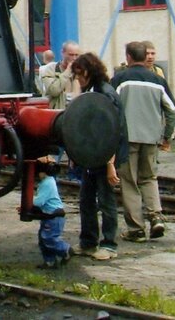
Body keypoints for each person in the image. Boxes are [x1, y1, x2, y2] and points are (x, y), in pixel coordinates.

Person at [111, 40, 175, 242]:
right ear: (144, 57)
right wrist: (168, 136)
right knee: (149, 178)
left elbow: (108, 105)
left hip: (127, 138)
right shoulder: (157, 81)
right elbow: (173, 113)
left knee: (129, 182)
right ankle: (156, 216)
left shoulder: (120, 80)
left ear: (129, 57)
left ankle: (136, 229)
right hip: (151, 138)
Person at [70, 52, 128, 261]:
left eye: (79, 73)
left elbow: (114, 131)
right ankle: (88, 241)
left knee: (106, 200)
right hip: (93, 154)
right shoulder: (92, 92)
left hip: (104, 155)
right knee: (86, 200)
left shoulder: (105, 94)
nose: (78, 78)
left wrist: (110, 163)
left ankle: (109, 244)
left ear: (89, 71)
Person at [30, 157, 71, 268]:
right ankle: (49, 261)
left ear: (42, 172)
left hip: (53, 216)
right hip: (49, 216)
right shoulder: (50, 181)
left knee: (49, 238)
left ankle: (65, 249)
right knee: (43, 239)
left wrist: (28, 202)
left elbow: (39, 201)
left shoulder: (47, 183)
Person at [39, 41, 81, 110]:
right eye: (71, 55)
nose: (74, 58)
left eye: (76, 55)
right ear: (63, 53)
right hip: (57, 114)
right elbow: (53, 91)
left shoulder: (79, 71)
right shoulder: (50, 69)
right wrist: (67, 71)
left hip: (75, 113)